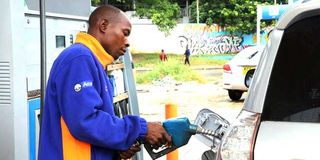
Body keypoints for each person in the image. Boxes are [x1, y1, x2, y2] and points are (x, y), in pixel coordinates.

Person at [38, 5, 171, 160]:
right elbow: (85, 121)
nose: (127, 42)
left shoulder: (93, 63)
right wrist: (141, 129)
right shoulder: (79, 58)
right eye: (125, 33)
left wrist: (115, 149)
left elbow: (92, 129)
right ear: (103, 26)